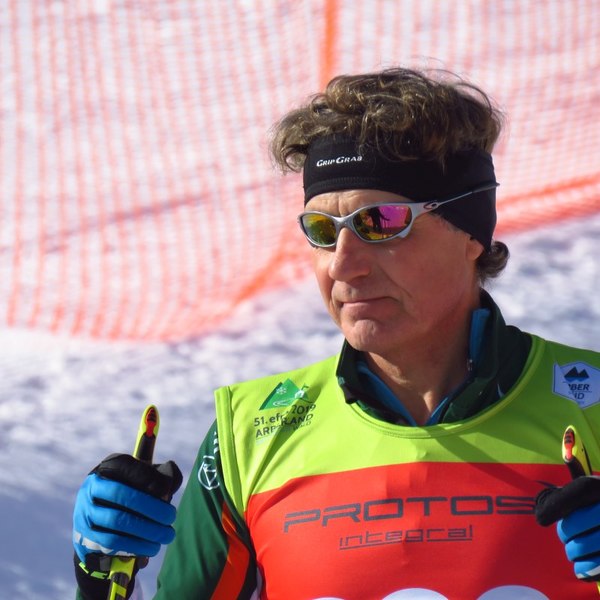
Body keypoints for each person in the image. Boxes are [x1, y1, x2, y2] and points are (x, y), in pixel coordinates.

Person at [72, 67, 600, 599]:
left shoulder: (591, 405)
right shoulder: (251, 434)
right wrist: (100, 577)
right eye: (322, 231)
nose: (344, 265)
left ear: (471, 234)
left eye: (382, 222)